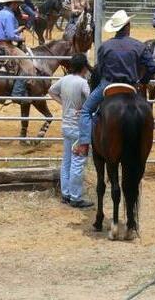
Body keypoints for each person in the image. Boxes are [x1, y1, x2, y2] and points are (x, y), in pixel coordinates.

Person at [75, 10, 155, 154]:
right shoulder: (139, 46)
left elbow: (100, 69)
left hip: (108, 84)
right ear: (128, 26)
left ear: (115, 28)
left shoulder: (105, 46)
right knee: (146, 113)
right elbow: (152, 67)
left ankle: (84, 145)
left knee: (86, 111)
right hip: (131, 86)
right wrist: (142, 81)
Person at [48, 53, 93, 209]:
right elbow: (91, 101)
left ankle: (66, 193)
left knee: (66, 161)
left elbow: (51, 91)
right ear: (83, 67)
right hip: (78, 128)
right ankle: (75, 197)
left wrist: (64, 103)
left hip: (66, 126)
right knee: (77, 162)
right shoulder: (83, 83)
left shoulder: (64, 79)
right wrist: (85, 109)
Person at [0, 0, 34, 100]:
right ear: (13, 3)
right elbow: (9, 36)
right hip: (4, 44)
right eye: (16, 3)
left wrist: (17, 30)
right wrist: (20, 38)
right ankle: (17, 93)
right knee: (28, 65)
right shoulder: (9, 15)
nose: (17, 5)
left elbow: (4, 31)